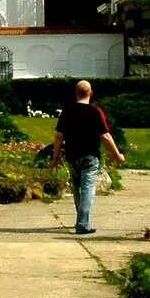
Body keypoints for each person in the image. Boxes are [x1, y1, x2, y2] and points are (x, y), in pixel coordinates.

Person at [53, 80, 125, 234]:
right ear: (90, 93)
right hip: (90, 156)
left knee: (77, 189)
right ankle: (82, 224)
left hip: (72, 155)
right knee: (87, 190)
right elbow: (105, 136)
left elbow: (59, 136)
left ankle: (81, 220)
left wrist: (55, 157)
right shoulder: (95, 111)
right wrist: (117, 155)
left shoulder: (67, 111)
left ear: (76, 93)